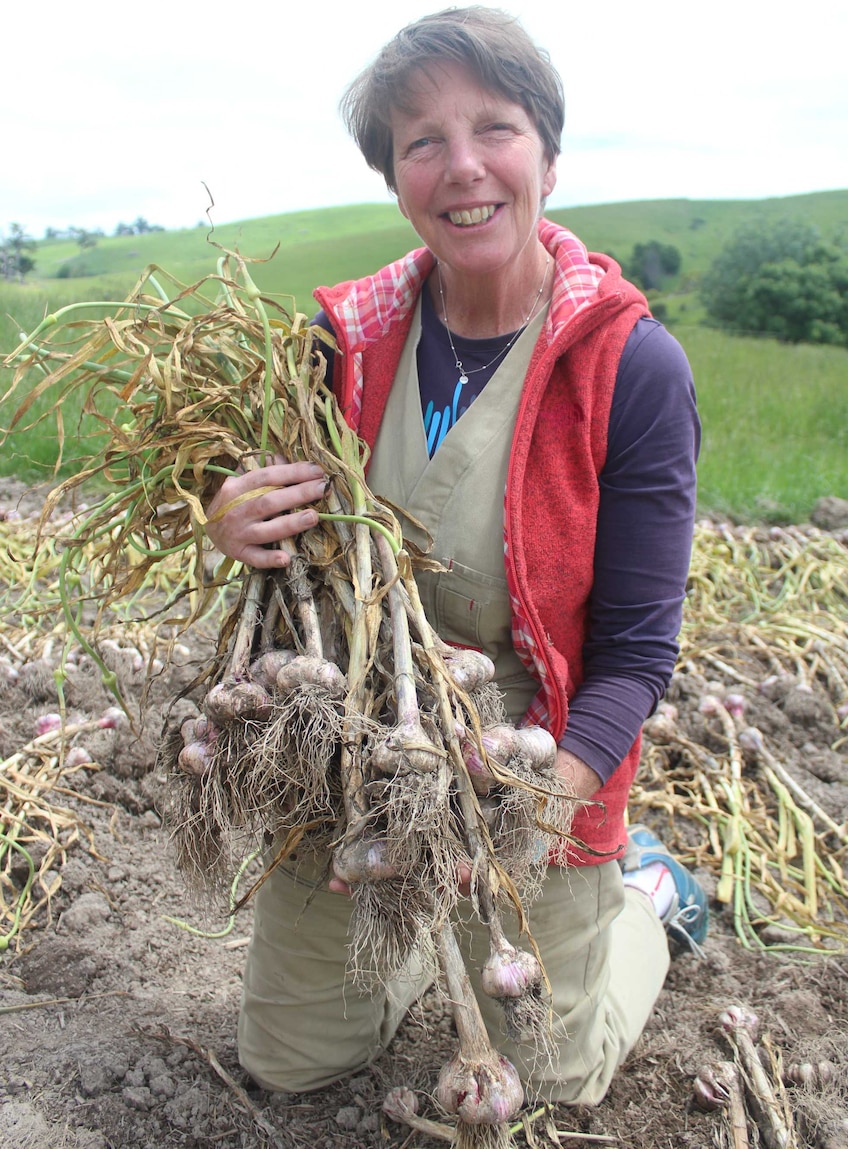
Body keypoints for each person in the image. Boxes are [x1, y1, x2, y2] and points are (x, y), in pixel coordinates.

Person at [204, 5, 705, 1108]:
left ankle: (651, 897)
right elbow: (278, 549)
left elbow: (632, 655)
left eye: (497, 128)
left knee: (556, 1082)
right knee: (289, 1063)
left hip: (535, 747)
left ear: (550, 157)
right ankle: (384, 939)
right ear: (393, 175)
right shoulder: (341, 343)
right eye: (421, 140)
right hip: (352, 732)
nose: (461, 166)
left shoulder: (629, 367)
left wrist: (540, 807)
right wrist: (227, 519)